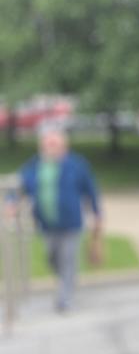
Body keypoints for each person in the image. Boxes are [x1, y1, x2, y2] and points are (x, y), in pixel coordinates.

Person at [8, 126, 102, 312]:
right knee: (52, 258)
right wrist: (11, 202)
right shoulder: (35, 165)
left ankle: (64, 298)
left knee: (68, 258)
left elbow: (91, 189)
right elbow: (18, 186)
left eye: (54, 143)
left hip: (71, 223)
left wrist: (97, 214)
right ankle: (66, 280)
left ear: (64, 145)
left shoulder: (76, 164)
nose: (50, 147)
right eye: (47, 143)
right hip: (46, 224)